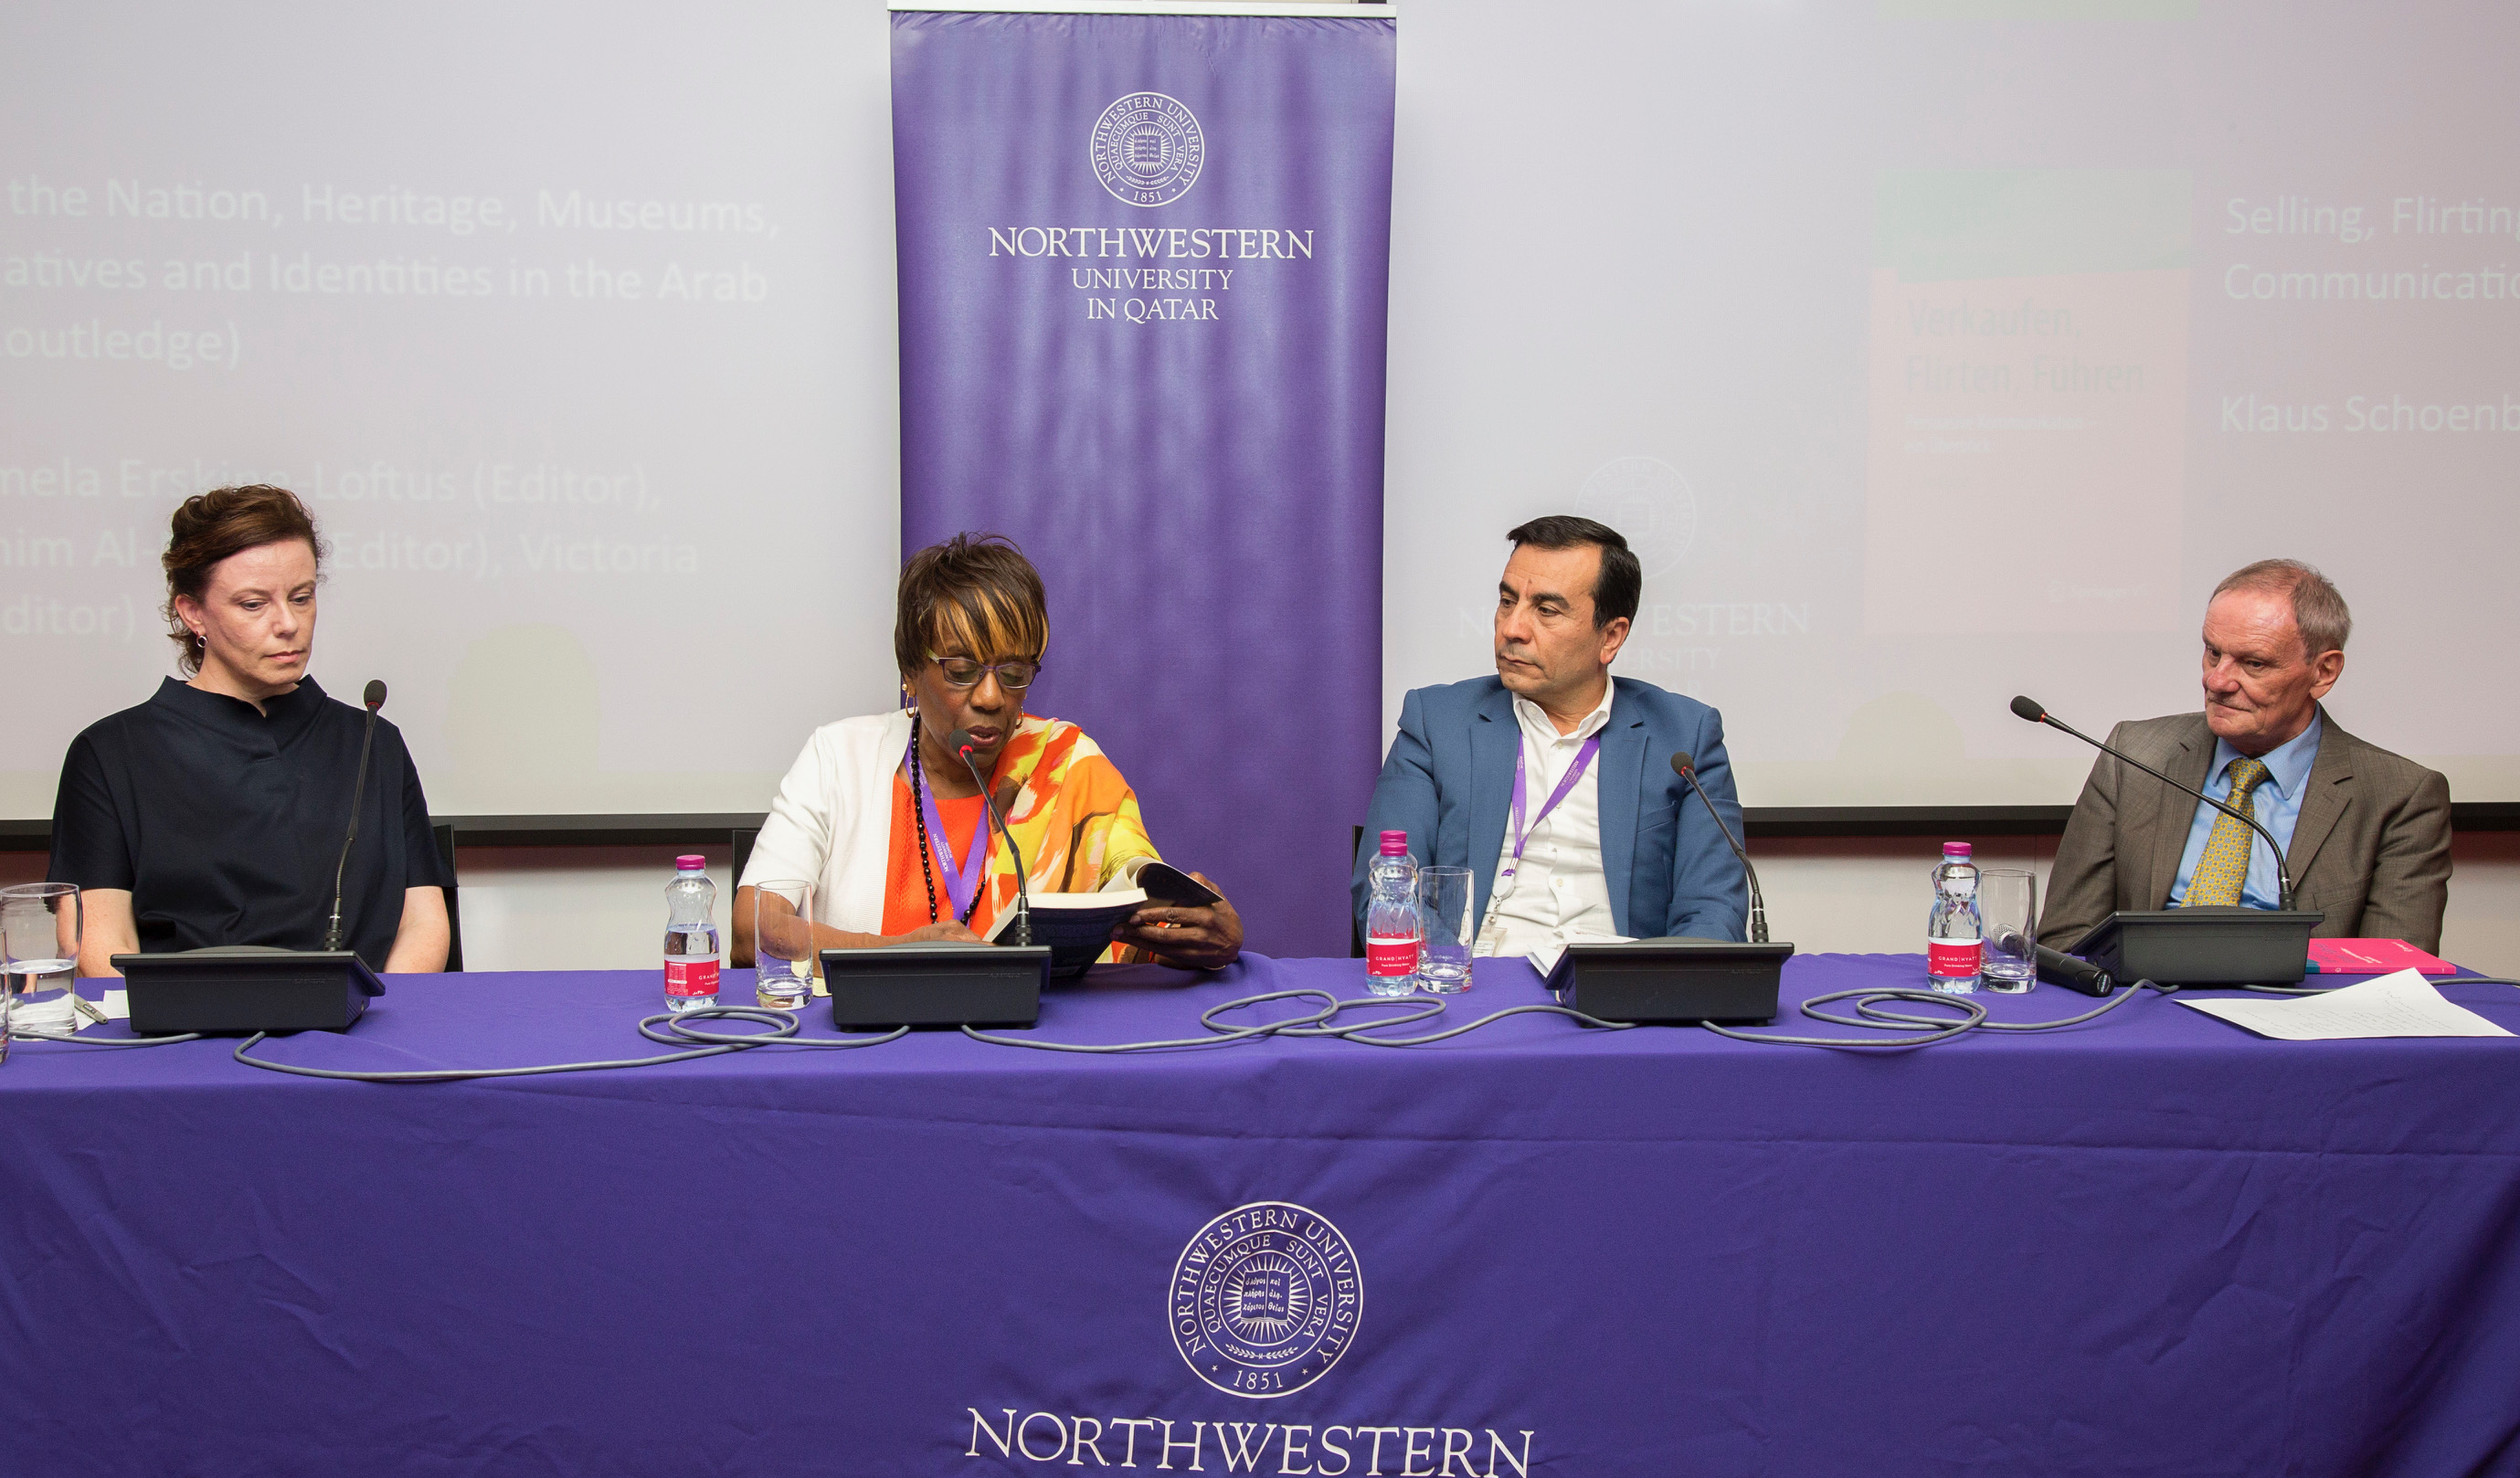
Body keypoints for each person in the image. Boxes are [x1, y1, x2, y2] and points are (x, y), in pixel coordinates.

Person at [733, 533, 1241, 969]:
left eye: (1014, 674)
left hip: (1037, 1053)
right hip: (872, 1053)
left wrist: (1208, 935)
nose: (992, 698)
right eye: (960, 672)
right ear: (909, 672)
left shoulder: (1068, 767)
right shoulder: (839, 759)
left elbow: (1142, 921)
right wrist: (893, 953)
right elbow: (750, 930)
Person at [48, 485, 451, 977]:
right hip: (180, 1041)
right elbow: (95, 937)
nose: (288, 624)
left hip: (359, 1034)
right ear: (193, 612)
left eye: (302, 598)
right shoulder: (111, 753)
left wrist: (367, 1017)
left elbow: (423, 924)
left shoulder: (373, 741)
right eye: (253, 604)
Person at [1355, 515, 1748, 954]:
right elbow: (1386, 891)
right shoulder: (1436, 723)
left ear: (1611, 637)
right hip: (1474, 988)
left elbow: (1714, 912)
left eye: (1546, 610)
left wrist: (1651, 997)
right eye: (1507, 602)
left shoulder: (1684, 736)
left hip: (1618, 997)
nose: (1512, 629)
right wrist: (1452, 974)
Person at [2039, 558, 2451, 953]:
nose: (2216, 680)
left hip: (2296, 1014)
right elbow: (2065, 936)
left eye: (2253, 663)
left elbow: (2392, 970)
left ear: (2323, 672)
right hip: (2142, 1004)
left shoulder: (2399, 795)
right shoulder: (2135, 755)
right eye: (2213, 652)